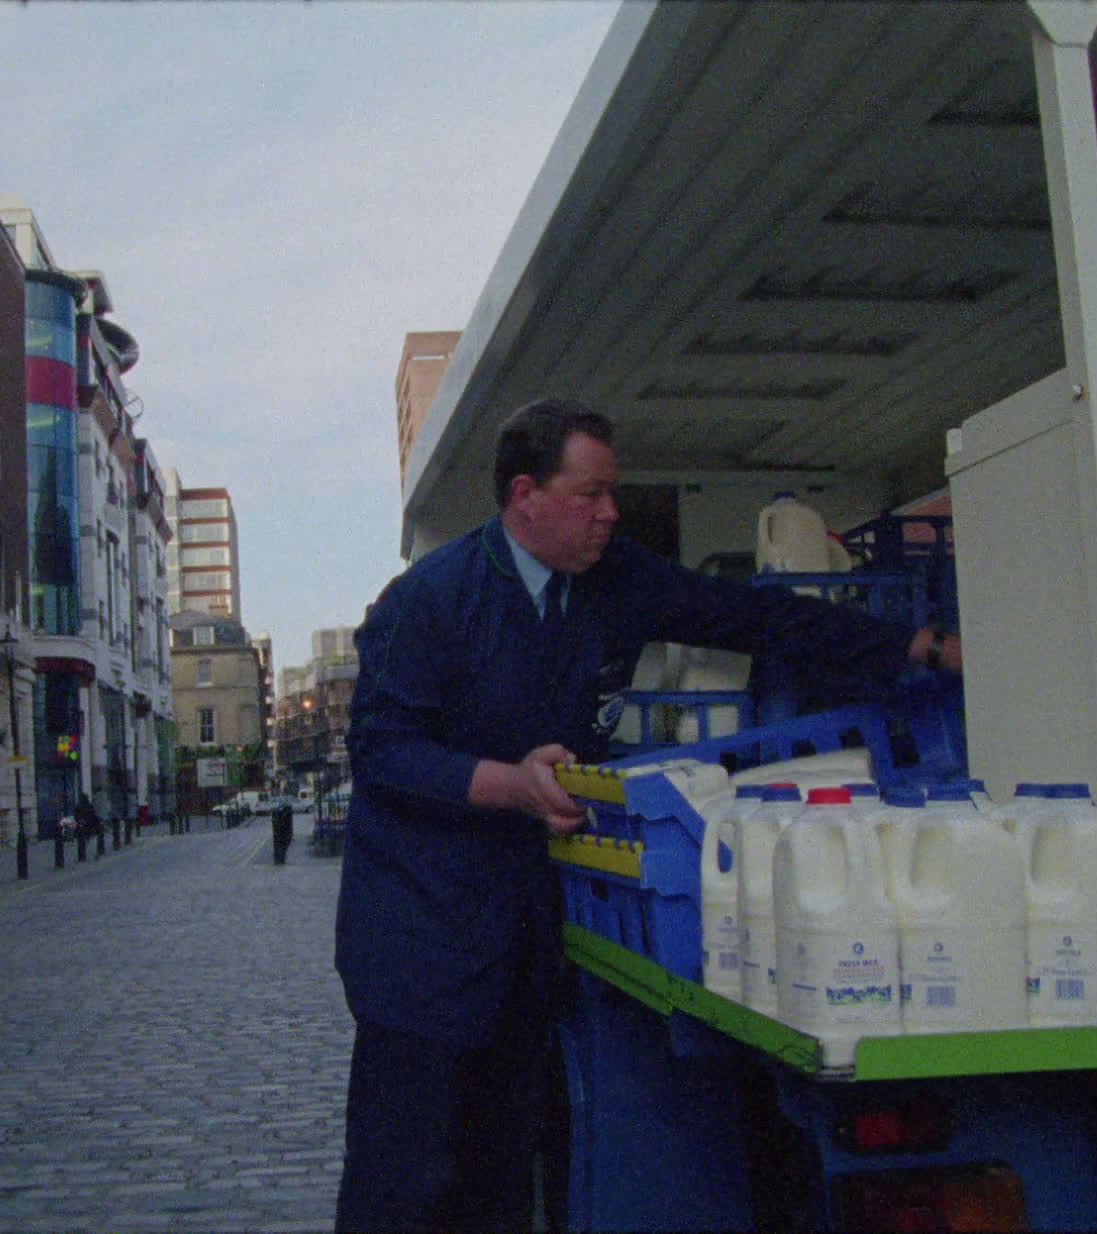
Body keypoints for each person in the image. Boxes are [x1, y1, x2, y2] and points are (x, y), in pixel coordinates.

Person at [332, 398, 960, 1231]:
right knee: (404, 1186)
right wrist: (508, 783)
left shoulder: (613, 582)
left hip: (525, 942)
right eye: (590, 495)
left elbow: (748, 617)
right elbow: (381, 750)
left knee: (500, 1182)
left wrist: (912, 648)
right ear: (525, 495)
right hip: (419, 945)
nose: (610, 513)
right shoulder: (432, 599)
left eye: (611, 494)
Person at [270, 798, 295, 865]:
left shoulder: (278, 812)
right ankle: (280, 859)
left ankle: (279, 859)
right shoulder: (282, 812)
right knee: (282, 845)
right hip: (283, 832)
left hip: (280, 832)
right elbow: (288, 823)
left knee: (281, 845)